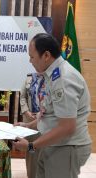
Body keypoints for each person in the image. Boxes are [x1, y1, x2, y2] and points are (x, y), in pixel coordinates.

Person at [13, 33, 92, 178]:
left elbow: (67, 127)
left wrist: (30, 146)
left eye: (32, 57)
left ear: (46, 55)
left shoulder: (63, 78)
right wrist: (28, 126)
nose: (30, 61)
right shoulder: (52, 75)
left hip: (66, 147)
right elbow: (50, 113)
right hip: (52, 144)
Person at [19, 73, 43, 178]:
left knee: (45, 148)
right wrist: (26, 111)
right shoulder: (29, 78)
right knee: (31, 152)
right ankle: (31, 175)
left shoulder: (51, 79)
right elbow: (22, 97)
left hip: (44, 118)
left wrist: (39, 115)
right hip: (29, 118)